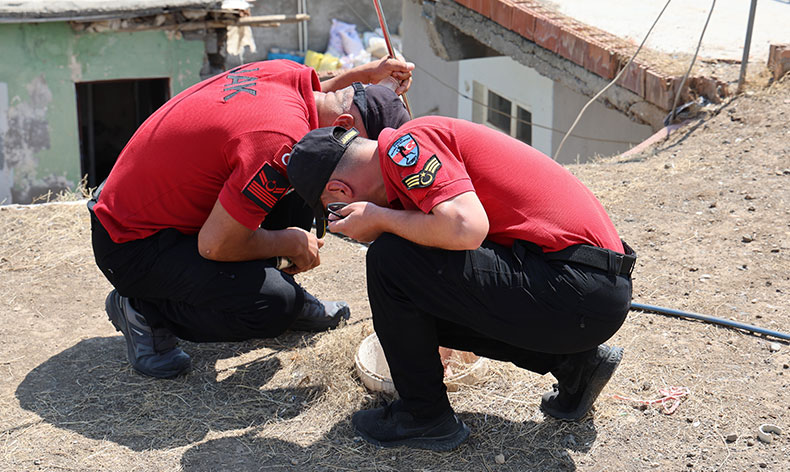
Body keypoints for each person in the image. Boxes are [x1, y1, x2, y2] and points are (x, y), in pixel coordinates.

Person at [286, 117, 636, 451]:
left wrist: (380, 218)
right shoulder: (410, 153)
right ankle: (575, 365)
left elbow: (466, 228)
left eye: (334, 210)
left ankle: (423, 415)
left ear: (339, 191)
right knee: (411, 275)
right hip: (588, 288)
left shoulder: (407, 147)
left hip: (580, 286)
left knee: (388, 259)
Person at [88, 57, 413, 379]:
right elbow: (215, 245)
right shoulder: (277, 142)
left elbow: (328, 96)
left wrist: (365, 74)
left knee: (310, 175)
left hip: (156, 205)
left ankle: (275, 286)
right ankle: (145, 309)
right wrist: (290, 241)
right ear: (343, 126)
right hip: (131, 240)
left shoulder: (287, 76)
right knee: (273, 307)